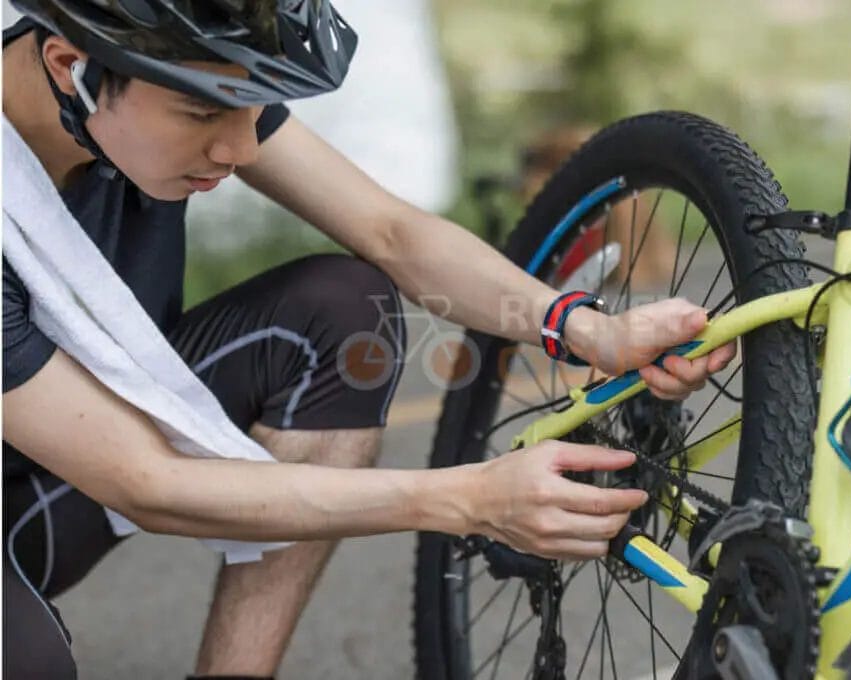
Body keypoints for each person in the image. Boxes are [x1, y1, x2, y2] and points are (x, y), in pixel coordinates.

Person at [1, 2, 736, 678]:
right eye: (200, 113)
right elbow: (146, 483)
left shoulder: (174, 87)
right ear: (74, 68)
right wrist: (467, 498)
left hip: (39, 492)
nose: (235, 147)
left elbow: (393, 233)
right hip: (91, 472)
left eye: (251, 110)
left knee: (344, 310)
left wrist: (589, 330)